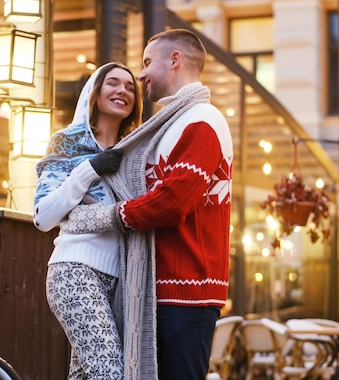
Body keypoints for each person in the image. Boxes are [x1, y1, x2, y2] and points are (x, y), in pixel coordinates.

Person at [61, 28, 233, 380]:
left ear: (175, 61)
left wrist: (104, 216)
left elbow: (172, 202)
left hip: (188, 291)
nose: (140, 75)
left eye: (147, 62)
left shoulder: (203, 120)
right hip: (159, 289)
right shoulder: (168, 126)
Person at [32, 62, 143, 380]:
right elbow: (43, 216)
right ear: (94, 93)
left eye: (130, 87)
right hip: (74, 271)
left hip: (119, 282)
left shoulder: (134, 152)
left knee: (85, 376)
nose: (123, 90)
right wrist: (90, 169)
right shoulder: (66, 142)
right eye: (113, 83)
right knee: (110, 373)